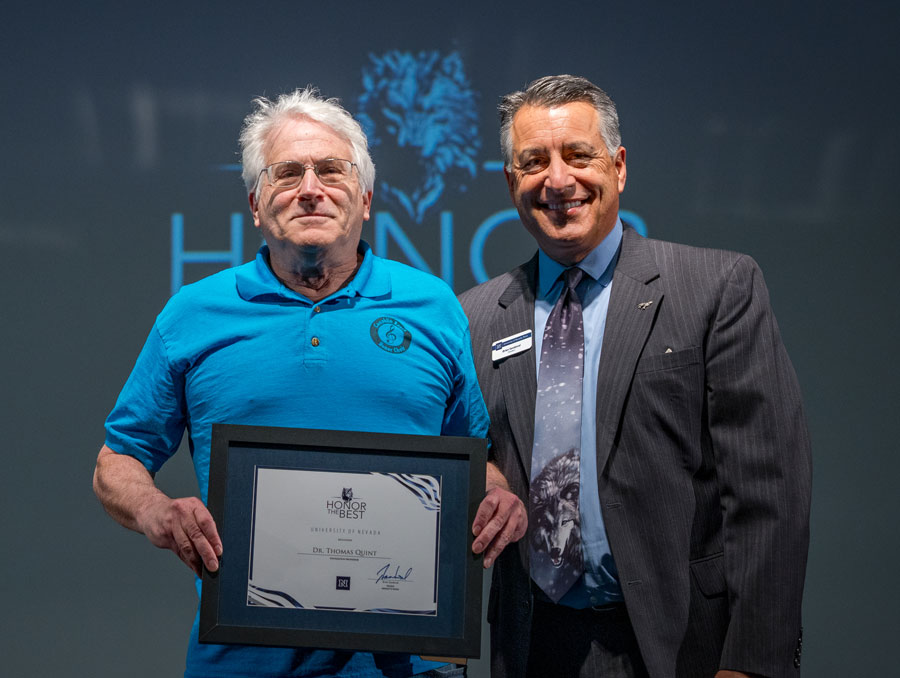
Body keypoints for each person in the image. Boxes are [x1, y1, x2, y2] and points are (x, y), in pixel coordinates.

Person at [93, 87, 489, 678]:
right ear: (256, 204)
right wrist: (156, 510)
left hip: (406, 660)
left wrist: (495, 497)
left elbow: (476, 459)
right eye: (286, 173)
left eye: (331, 170)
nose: (310, 188)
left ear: (366, 198)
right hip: (240, 661)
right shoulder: (194, 313)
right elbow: (117, 460)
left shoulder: (432, 307)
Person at [458, 75, 812, 678]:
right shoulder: (475, 316)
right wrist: (481, 472)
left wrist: (752, 662)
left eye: (578, 155)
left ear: (618, 168)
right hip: (531, 645)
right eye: (534, 162)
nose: (558, 180)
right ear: (512, 182)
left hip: (682, 645)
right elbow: (465, 458)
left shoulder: (716, 287)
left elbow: (768, 492)